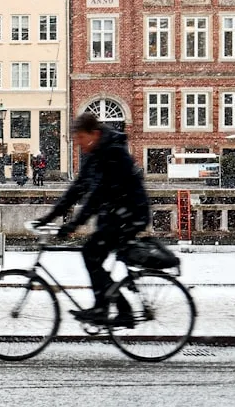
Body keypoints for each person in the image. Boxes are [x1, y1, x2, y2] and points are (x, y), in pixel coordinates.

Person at [33, 112, 150, 327]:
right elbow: (77, 188)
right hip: (115, 214)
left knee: (91, 255)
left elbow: (97, 196)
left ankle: (112, 310)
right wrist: (49, 217)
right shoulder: (96, 153)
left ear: (94, 134)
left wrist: (73, 224)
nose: (79, 143)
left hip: (129, 215)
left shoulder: (112, 152)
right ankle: (108, 309)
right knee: (93, 256)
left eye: (81, 138)